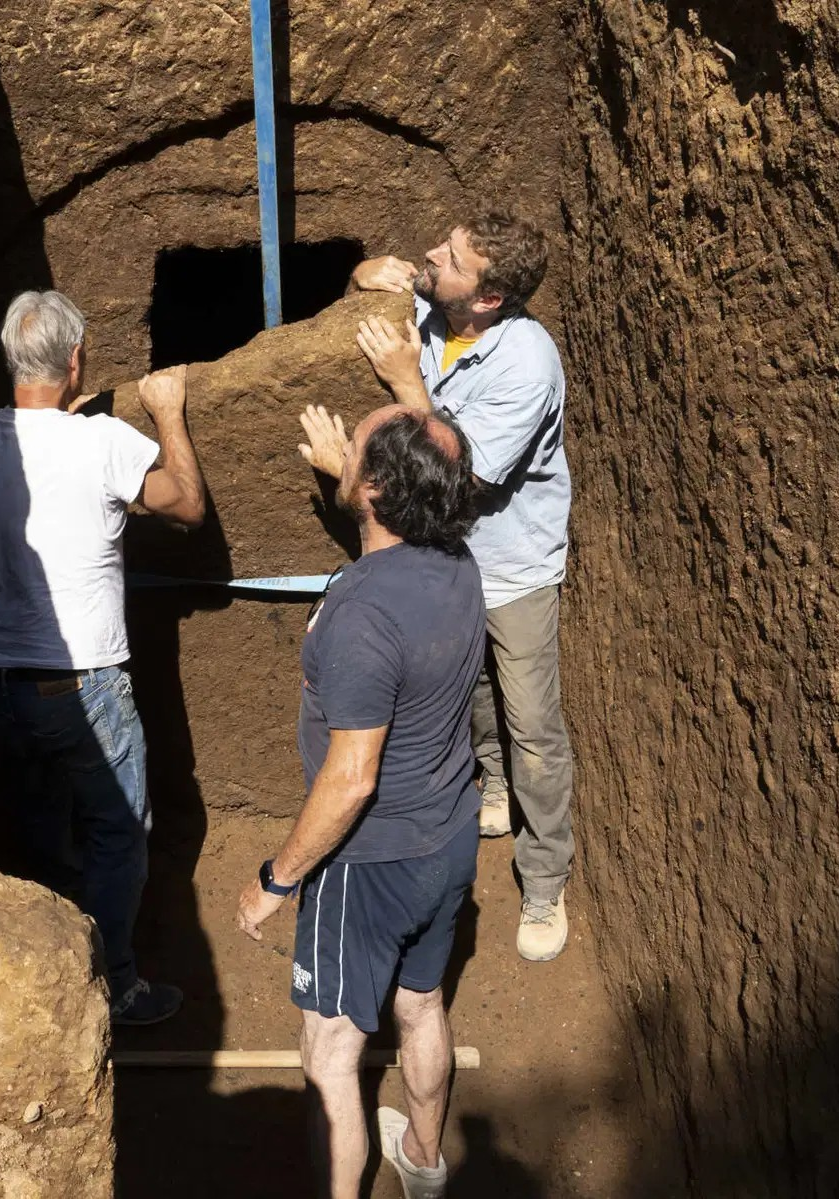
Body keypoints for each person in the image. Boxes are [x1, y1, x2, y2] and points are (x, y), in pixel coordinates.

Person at [236, 402, 484, 1199]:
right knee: (421, 1004)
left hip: (366, 863)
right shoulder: (459, 565)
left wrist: (277, 879)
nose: (342, 448)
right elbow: (393, 558)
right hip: (448, 838)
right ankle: (422, 1157)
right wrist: (350, 472)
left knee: (331, 1048)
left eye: (356, 447)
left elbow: (351, 779)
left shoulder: (361, 615)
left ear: (375, 488)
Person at [0, 289, 206, 1026]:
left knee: (41, 825)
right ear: (75, 361)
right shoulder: (105, 443)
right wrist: (166, 415)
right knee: (118, 836)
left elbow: (41, 452)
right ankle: (113, 985)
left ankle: (50, 969)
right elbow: (187, 505)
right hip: (81, 690)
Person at [347, 212, 576, 963]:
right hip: (449, 558)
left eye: (449, 258)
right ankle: (494, 783)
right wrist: (370, 272)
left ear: (488, 299)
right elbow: (381, 280)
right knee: (472, 689)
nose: (431, 255)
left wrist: (407, 383)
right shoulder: (438, 309)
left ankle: (545, 879)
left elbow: (462, 477)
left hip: (511, 569)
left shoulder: (526, 364)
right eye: (441, 240)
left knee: (533, 723)